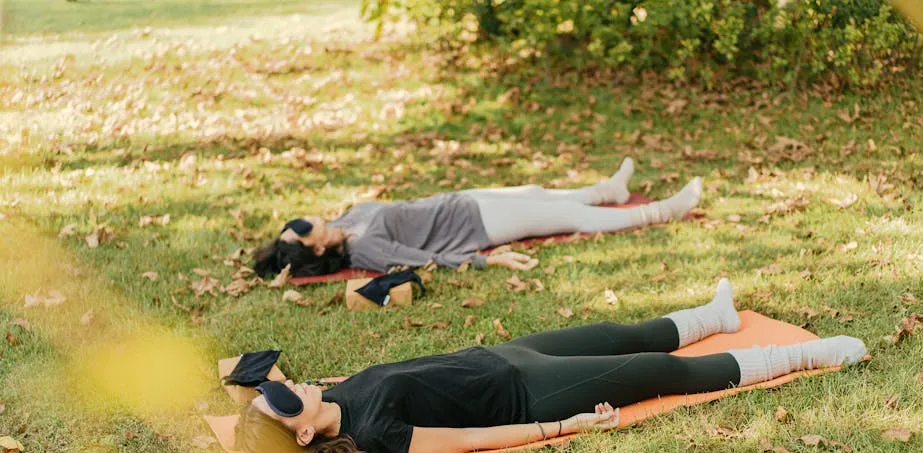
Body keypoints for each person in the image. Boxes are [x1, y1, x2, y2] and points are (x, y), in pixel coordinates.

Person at [235, 280, 867, 453]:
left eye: (279, 390)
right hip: (528, 395)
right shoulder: (378, 437)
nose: (286, 390)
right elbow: (469, 441)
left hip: (506, 355)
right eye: (282, 405)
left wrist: (255, 388)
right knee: (655, 369)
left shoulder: (335, 393)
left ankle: (715, 314)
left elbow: (263, 372)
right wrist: (560, 427)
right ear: (300, 435)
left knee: (621, 333)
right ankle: (806, 355)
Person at [253, 158, 704, 277]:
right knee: (567, 215)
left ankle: (611, 191)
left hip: (463, 200)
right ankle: (661, 211)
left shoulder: (348, 217)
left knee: (539, 192)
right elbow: (415, 259)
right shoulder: (364, 248)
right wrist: (486, 260)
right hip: (477, 226)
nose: (309, 216)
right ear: (315, 245)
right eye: (304, 225)